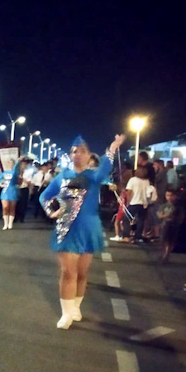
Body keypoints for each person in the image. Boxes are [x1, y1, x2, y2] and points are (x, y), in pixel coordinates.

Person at [41, 133, 126, 329]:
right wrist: (51, 211)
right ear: (70, 155)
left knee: (81, 272)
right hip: (67, 229)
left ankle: (76, 307)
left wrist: (113, 147)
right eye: (74, 151)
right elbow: (44, 196)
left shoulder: (94, 176)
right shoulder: (62, 177)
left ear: (89, 155)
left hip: (89, 228)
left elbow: (105, 168)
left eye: (82, 151)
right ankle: (66, 313)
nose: (77, 154)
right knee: (67, 272)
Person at [124, 167, 152, 243]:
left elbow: (129, 192)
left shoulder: (132, 180)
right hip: (144, 203)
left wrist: (128, 202)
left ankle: (126, 235)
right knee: (141, 220)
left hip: (134, 202)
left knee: (126, 218)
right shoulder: (147, 181)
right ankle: (138, 235)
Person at [158, 188, 179, 262]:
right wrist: (165, 216)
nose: (169, 197)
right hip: (164, 224)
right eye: (167, 195)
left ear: (175, 196)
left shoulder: (177, 206)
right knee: (163, 239)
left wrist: (165, 216)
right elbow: (159, 214)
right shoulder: (164, 205)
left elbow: (176, 215)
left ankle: (167, 255)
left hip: (173, 224)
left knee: (170, 241)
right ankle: (163, 254)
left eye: (171, 195)